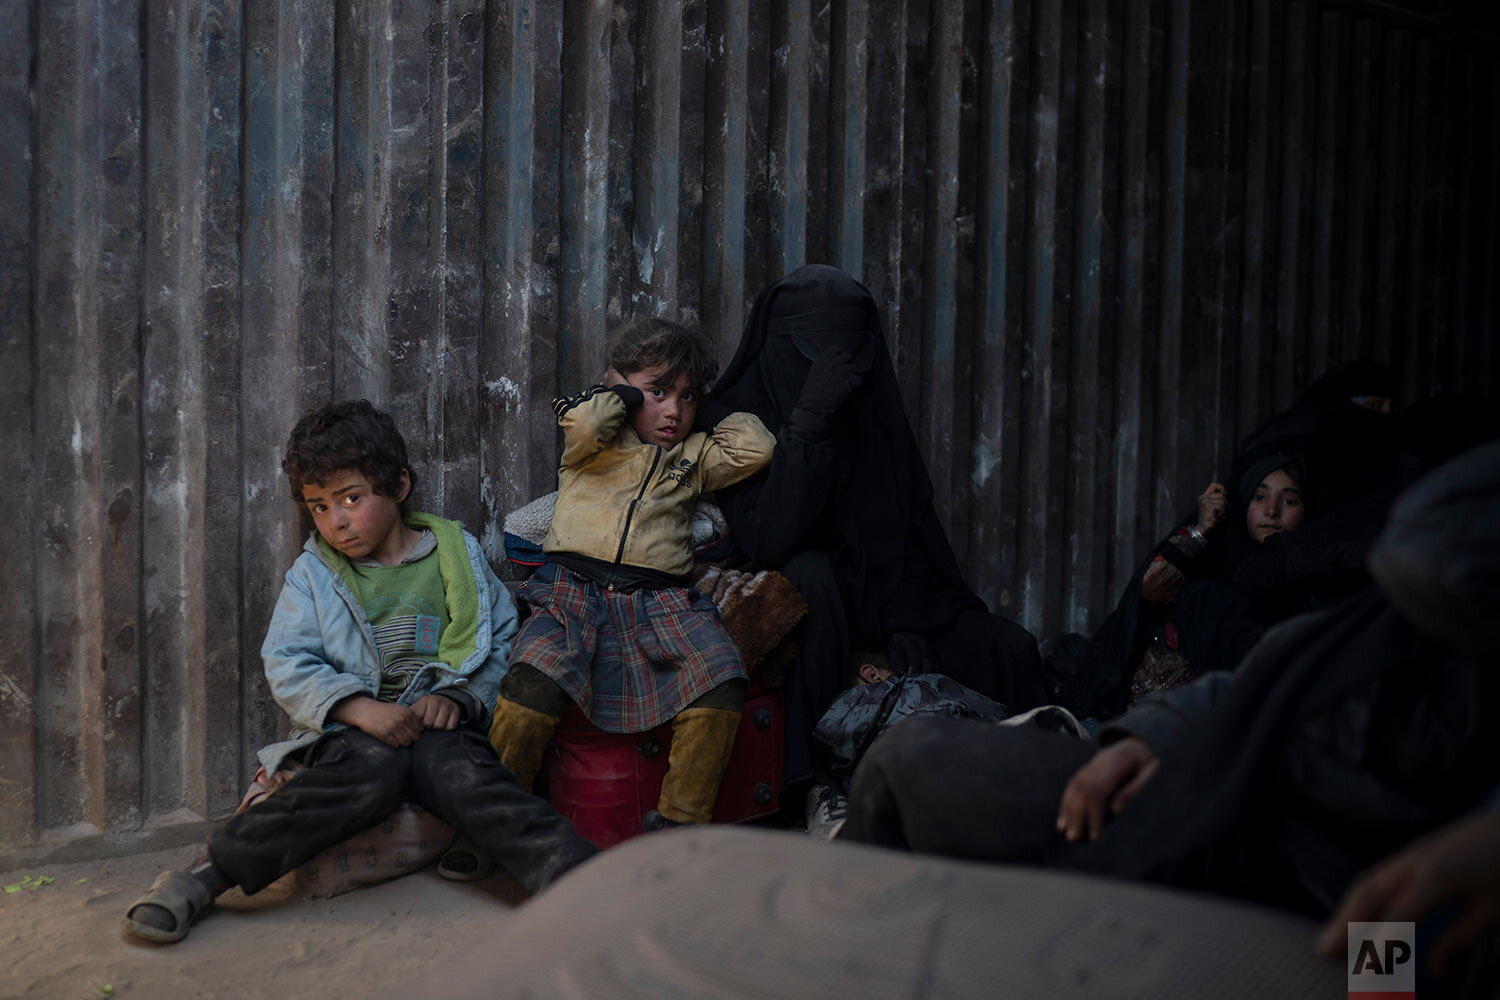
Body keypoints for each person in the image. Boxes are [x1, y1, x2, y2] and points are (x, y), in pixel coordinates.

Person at [840, 438, 1500, 988]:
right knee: (912, 759)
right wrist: (1153, 735)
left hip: (1339, 904)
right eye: (1260, 499)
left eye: (1290, 501)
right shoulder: (1385, 612)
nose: (1270, 514)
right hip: (1203, 793)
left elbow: (1392, 961)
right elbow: (1260, 678)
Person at [121, 400, 598, 944]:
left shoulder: (455, 554)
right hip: (354, 734)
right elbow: (288, 660)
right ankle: (206, 876)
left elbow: (499, 640)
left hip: (440, 727)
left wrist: (463, 698)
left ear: (398, 487)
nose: (336, 521)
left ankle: (582, 879)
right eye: (318, 507)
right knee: (369, 775)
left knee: (470, 777)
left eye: (351, 498)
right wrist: (356, 707)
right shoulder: (312, 574)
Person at [710, 264, 1046, 809]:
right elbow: (769, 537)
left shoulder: (871, 418)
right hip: (802, 618)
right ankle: (815, 785)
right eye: (812, 353)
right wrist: (809, 420)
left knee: (1005, 648)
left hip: (887, 616)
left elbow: (910, 551)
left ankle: (1034, 787)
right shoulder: (734, 423)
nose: (837, 371)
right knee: (810, 572)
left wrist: (901, 634)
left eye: (850, 354)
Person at [485, 317, 776, 831]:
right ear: (619, 387)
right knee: (531, 682)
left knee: (721, 675)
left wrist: (702, 406)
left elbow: (756, 448)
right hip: (573, 590)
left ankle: (681, 824)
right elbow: (587, 421)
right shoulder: (592, 447)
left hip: (659, 598)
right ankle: (492, 822)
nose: (673, 411)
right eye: (657, 392)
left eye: (687, 398)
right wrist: (621, 395)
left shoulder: (694, 457)